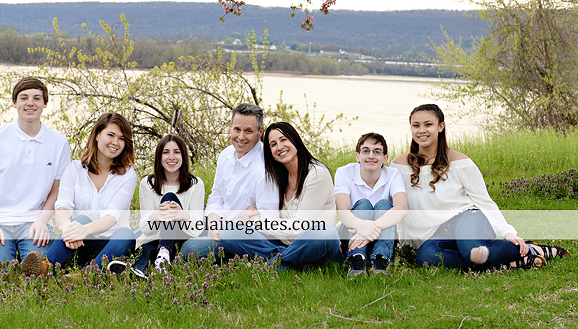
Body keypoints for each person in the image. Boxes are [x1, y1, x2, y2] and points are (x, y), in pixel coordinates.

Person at [391, 104, 569, 271]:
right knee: (426, 256)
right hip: (434, 234)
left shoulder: (460, 162)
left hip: (465, 218)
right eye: (416, 125)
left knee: (473, 250)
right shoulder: (399, 165)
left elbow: (484, 201)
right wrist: (401, 242)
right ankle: (508, 264)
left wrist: (507, 232)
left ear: (441, 127)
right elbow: (396, 205)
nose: (421, 130)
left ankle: (531, 249)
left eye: (428, 124)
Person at [0, 76, 71, 281]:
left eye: (36, 98)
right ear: (14, 103)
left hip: (34, 222)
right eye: (24, 98)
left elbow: (57, 191)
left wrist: (43, 221)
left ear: (45, 103)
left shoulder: (59, 143)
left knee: (41, 274)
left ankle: (14, 257)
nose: (30, 103)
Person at [21, 113, 138, 277]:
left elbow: (112, 216)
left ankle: (84, 276)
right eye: (111, 135)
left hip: (113, 246)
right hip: (79, 243)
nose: (115, 142)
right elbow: (62, 206)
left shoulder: (128, 175)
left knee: (126, 234)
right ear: (97, 135)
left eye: (121, 138)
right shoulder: (74, 169)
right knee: (80, 219)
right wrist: (67, 228)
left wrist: (84, 229)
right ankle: (46, 266)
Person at [220, 122, 342, 269]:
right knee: (230, 231)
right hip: (285, 244)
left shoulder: (317, 174)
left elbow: (299, 228)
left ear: (295, 140)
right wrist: (256, 213)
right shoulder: (279, 176)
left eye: (283, 139)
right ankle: (288, 261)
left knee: (325, 233)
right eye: (273, 144)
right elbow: (275, 219)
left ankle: (271, 265)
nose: (279, 147)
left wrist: (258, 221)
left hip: (316, 245)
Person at [180, 103, 280, 258]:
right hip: (218, 224)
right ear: (231, 127)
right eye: (237, 129)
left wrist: (229, 230)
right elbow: (217, 195)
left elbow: (268, 222)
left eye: (248, 131)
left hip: (240, 236)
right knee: (177, 222)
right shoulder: (225, 155)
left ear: (260, 132)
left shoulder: (264, 170)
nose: (241, 137)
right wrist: (213, 224)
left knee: (190, 249)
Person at [335, 132, 407, 276]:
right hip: (352, 232)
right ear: (358, 156)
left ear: (385, 158)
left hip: (382, 233)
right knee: (363, 204)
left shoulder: (393, 174)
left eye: (377, 151)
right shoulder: (344, 172)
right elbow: (343, 211)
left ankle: (380, 261)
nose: (371, 156)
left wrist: (370, 229)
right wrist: (361, 226)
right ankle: (356, 261)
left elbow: (401, 208)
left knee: (385, 205)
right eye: (366, 151)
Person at [134, 134, 205, 273]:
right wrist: (156, 215)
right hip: (155, 238)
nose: (171, 157)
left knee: (169, 198)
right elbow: (146, 229)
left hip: (183, 239)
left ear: (183, 156)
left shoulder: (195, 184)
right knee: (145, 249)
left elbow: (197, 228)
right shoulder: (147, 183)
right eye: (166, 152)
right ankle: (138, 271)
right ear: (159, 157)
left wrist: (181, 214)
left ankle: (164, 252)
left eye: (176, 152)